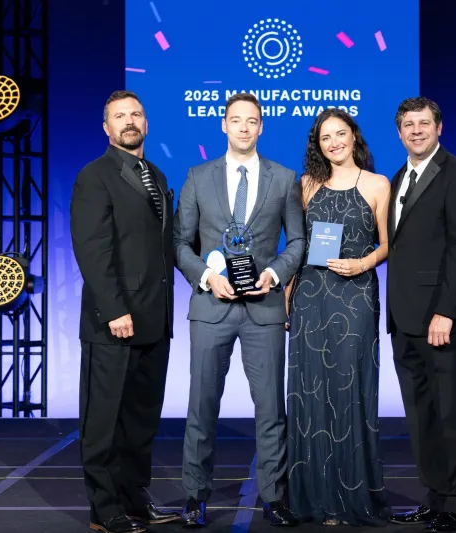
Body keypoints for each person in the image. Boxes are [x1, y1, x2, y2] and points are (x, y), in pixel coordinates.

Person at [173, 93, 306, 528]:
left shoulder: (284, 178)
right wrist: (208, 277)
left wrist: (276, 274)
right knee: (201, 405)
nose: (244, 128)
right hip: (211, 306)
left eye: (252, 121)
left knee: (271, 408)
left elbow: (299, 242)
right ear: (223, 125)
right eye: (236, 120)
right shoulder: (198, 176)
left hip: (264, 307)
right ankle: (195, 495)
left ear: (262, 126)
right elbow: (180, 243)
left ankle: (274, 496)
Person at [69, 90, 181, 533]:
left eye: (136, 114)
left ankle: (135, 499)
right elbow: (92, 251)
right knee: (103, 420)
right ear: (106, 127)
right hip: (113, 320)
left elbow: (160, 247)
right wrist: (115, 308)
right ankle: (104, 508)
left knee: (140, 420)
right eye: (119, 115)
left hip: (155, 318)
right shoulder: (94, 177)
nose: (129, 121)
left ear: (146, 124)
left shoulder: (154, 173)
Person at [282, 109, 392, 526]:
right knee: (310, 392)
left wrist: (364, 263)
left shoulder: (377, 184)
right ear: (318, 143)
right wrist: (286, 300)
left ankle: (352, 495)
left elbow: (387, 245)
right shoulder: (306, 186)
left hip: (356, 296)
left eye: (340, 134)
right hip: (311, 296)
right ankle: (316, 497)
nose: (334, 143)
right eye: (325, 137)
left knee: (351, 391)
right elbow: (297, 247)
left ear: (353, 136)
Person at [385, 96, 456, 532]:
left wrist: (445, 311)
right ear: (400, 132)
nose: (417, 131)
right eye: (408, 125)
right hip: (405, 319)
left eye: (424, 123)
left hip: (445, 320)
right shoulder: (398, 177)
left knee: (452, 415)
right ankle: (435, 495)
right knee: (421, 415)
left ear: (439, 127)